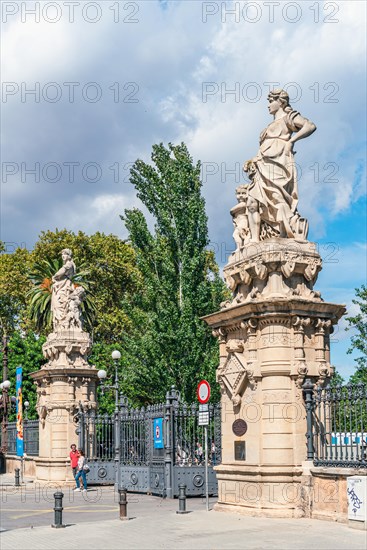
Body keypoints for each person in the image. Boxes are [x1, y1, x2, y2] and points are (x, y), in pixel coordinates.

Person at [244, 89, 316, 241]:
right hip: (262, 162)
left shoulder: (288, 118)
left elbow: (309, 126)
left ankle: (286, 233)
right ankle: (254, 240)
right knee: (252, 200)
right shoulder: (271, 123)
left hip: (279, 161)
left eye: (271, 101)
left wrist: (291, 141)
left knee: (277, 197)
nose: (268, 105)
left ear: (281, 101)